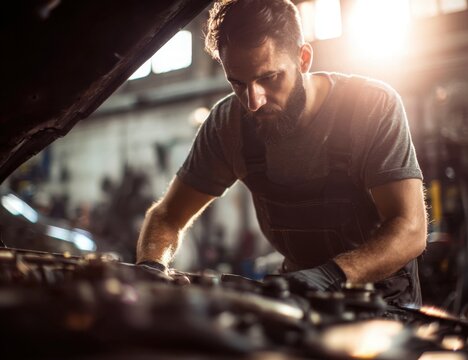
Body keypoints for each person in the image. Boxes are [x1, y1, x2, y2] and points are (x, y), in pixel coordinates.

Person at [136, 0, 427, 306]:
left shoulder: (371, 107)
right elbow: (168, 215)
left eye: (268, 78)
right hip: (296, 296)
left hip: (383, 302)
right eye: (237, 83)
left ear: (303, 59)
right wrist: (152, 266)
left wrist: (332, 276)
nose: (253, 102)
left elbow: (410, 229)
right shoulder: (228, 125)